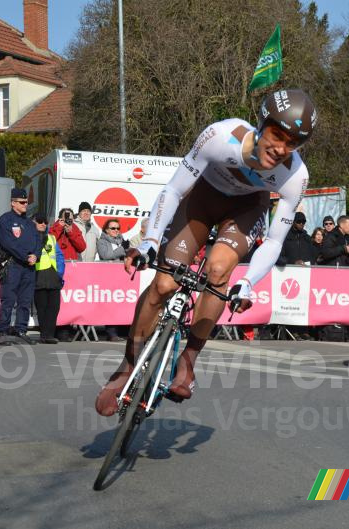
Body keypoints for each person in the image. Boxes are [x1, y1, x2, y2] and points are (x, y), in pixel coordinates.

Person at [96, 88, 317, 416]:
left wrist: (248, 283)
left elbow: (274, 241)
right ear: (261, 124)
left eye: (292, 143)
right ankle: (128, 364)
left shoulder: (296, 176)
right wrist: (150, 241)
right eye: (277, 135)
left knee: (218, 270)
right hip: (202, 200)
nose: (281, 149)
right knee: (164, 284)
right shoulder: (220, 136)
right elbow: (173, 190)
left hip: (246, 209)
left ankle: (188, 361)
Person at [0, 188, 41, 345]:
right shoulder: (5, 220)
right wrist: (26, 256)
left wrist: (36, 255)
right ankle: (2, 331)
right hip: (13, 264)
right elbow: (8, 243)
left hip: (29, 267)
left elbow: (38, 241)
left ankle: (21, 330)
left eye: (26, 202)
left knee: (25, 301)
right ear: (13, 203)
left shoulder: (29, 223)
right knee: (8, 299)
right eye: (21, 202)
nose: (25, 204)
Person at [32, 213, 65, 344]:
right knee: (42, 307)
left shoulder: (51, 238)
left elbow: (59, 256)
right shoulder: (29, 237)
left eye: (45, 222)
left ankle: (50, 335)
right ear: (33, 222)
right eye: (40, 221)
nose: (43, 224)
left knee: (54, 307)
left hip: (52, 275)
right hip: (38, 275)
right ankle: (44, 335)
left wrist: (59, 273)